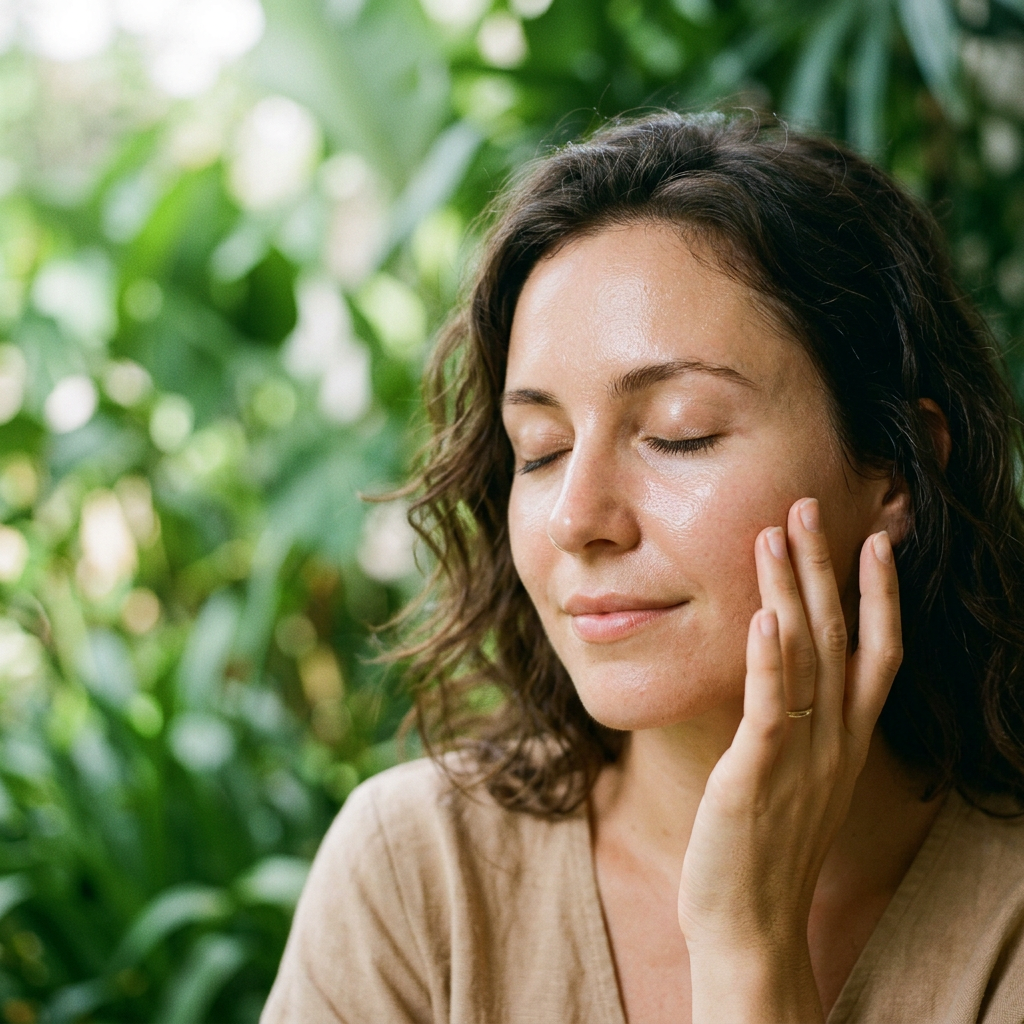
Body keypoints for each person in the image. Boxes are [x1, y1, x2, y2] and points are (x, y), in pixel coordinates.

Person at [261, 113, 1024, 1023]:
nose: (578, 518)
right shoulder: (419, 875)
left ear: (897, 472)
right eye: (539, 450)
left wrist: (750, 950)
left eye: (678, 434)